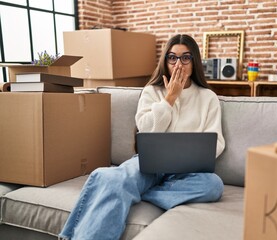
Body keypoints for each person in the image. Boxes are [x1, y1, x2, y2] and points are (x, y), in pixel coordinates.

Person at [59, 34, 226, 240]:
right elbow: (145, 131)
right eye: (172, 57)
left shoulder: (208, 97)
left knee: (213, 185)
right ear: (165, 61)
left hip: (186, 172)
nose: (178, 64)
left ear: (195, 62)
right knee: (115, 178)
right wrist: (170, 99)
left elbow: (216, 141)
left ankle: (137, 191)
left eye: (185, 57)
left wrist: (195, 155)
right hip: (149, 165)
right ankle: (128, 187)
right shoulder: (152, 91)